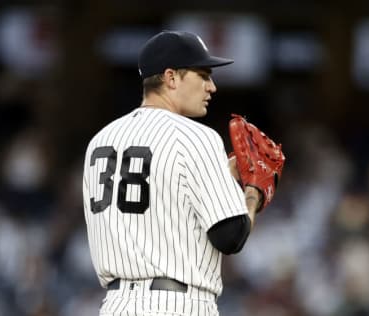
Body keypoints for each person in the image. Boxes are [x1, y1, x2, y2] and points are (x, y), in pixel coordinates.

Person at [82, 30, 263, 316]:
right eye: (203, 75)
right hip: (178, 304)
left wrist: (222, 177)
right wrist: (253, 194)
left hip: (115, 305)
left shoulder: (100, 141)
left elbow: (162, 200)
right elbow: (231, 236)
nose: (212, 87)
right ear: (171, 78)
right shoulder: (196, 137)